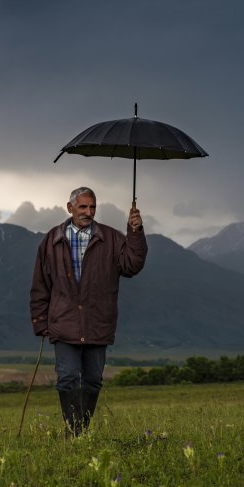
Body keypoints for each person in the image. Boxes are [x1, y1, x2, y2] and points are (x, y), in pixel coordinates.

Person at [29, 187, 147, 436]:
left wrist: (135, 232)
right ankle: (74, 433)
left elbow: (131, 265)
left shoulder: (112, 238)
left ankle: (80, 431)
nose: (88, 212)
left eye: (92, 207)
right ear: (70, 207)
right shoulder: (51, 240)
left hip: (98, 322)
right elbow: (41, 284)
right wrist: (40, 321)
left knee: (93, 380)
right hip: (64, 322)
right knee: (67, 378)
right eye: (83, 207)